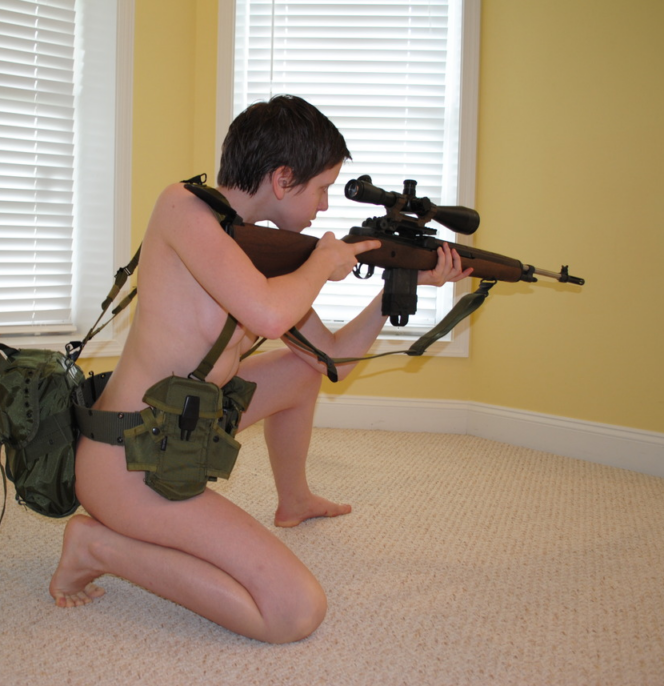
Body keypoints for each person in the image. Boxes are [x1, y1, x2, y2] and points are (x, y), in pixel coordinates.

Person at [49, 95, 471, 643]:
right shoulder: (182, 207)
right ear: (282, 178)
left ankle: (294, 500)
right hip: (127, 461)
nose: (324, 205)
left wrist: (397, 291)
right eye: (321, 188)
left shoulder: (262, 252)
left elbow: (331, 360)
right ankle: (96, 547)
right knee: (295, 612)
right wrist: (321, 264)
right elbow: (269, 314)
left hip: (179, 432)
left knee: (300, 371)